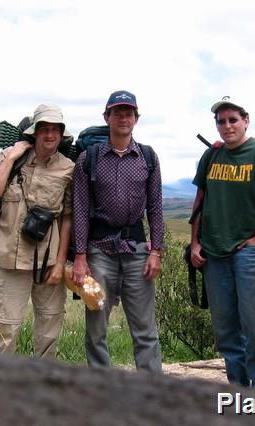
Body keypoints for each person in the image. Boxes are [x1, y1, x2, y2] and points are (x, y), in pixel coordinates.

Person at [190, 96, 255, 388]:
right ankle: (238, 389)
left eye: (233, 120)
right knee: (226, 332)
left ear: (246, 121)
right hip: (214, 253)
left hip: (250, 254)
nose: (227, 126)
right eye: (221, 121)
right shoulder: (212, 156)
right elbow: (200, 200)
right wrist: (195, 243)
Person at [72, 90, 163, 373]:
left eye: (128, 113)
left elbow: (156, 207)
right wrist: (80, 256)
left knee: (144, 326)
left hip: (137, 250)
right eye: (117, 113)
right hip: (99, 252)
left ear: (136, 118)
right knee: (96, 325)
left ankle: (152, 390)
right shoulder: (88, 159)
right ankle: (102, 386)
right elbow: (79, 208)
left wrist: (156, 251)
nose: (123, 118)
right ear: (106, 117)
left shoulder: (147, 157)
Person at [0, 104, 74, 359]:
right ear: (34, 132)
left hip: (48, 262)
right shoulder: (9, 158)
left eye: (55, 130)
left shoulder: (68, 168)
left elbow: (67, 218)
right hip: (10, 259)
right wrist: (12, 157)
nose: (49, 135)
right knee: (3, 328)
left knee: (49, 328)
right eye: (44, 128)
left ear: (62, 134)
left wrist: (59, 264)